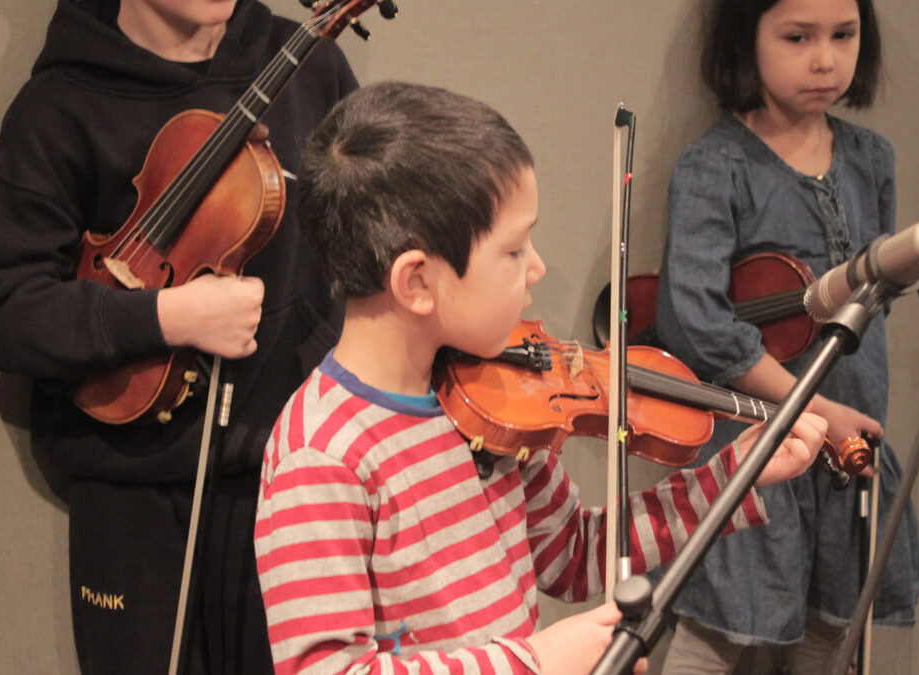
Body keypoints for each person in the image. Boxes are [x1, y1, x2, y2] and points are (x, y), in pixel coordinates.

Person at [252, 80, 828, 675]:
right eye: (513, 251)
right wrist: (537, 662)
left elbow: (574, 554)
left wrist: (731, 477)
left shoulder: (492, 402)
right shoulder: (321, 459)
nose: (537, 267)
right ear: (416, 282)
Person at [0, 0, 356, 671]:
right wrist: (167, 317)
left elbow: (379, 250)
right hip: (131, 503)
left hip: (294, 484)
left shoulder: (310, 67)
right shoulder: (60, 106)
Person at [651, 0, 919, 672]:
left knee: (830, 630)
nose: (826, 60)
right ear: (748, 37)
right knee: (717, 633)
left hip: (847, 444)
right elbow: (699, 324)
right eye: (798, 37)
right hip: (756, 446)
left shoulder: (871, 159)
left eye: (844, 35)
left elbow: (871, 302)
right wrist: (818, 413)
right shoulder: (716, 167)